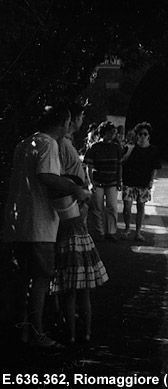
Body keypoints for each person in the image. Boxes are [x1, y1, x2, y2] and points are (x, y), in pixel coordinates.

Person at [2, 104, 90, 348]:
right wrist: (76, 190)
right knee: (41, 279)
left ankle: (22, 331)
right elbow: (46, 176)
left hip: (16, 224)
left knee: (21, 281)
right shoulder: (49, 144)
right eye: (70, 122)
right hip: (39, 224)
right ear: (63, 122)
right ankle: (37, 335)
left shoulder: (24, 143)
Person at [51, 110, 108, 344]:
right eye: (80, 117)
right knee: (83, 292)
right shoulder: (63, 144)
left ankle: (73, 334)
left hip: (69, 229)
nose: (82, 120)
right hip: (80, 239)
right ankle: (85, 333)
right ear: (71, 120)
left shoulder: (64, 143)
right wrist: (79, 194)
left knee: (71, 293)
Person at [84, 123, 124, 241]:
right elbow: (89, 166)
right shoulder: (94, 147)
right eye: (110, 132)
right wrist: (91, 182)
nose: (112, 135)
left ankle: (111, 232)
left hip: (112, 181)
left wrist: (119, 180)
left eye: (113, 132)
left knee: (112, 206)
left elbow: (119, 165)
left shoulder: (116, 147)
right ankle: (99, 232)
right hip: (98, 181)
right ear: (103, 133)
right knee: (97, 207)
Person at [121, 123, 160, 242]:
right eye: (140, 134)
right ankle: (127, 229)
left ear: (149, 136)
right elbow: (122, 162)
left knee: (141, 207)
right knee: (127, 207)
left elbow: (155, 167)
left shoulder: (153, 150)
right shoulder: (130, 148)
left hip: (143, 182)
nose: (142, 136)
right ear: (137, 136)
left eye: (145, 134)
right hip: (129, 181)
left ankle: (138, 232)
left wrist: (151, 181)